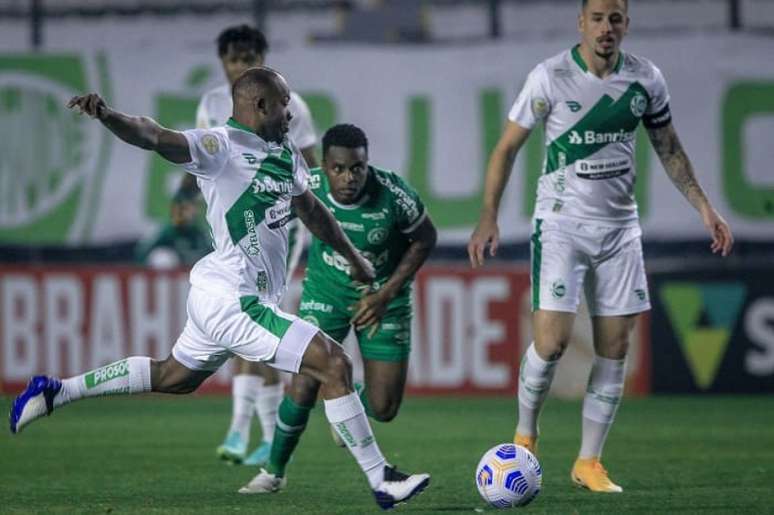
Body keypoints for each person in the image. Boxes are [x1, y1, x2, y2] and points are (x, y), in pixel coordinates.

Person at [10, 66, 430, 510]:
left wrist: (353, 256)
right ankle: (381, 478)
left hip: (222, 296)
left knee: (173, 377)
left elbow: (311, 210)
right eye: (285, 104)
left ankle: (58, 391)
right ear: (261, 105)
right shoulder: (220, 147)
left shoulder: (283, 152)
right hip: (234, 298)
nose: (291, 114)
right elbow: (154, 136)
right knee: (333, 362)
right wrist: (109, 115)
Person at [467, 0, 733, 494]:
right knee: (551, 344)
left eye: (615, 19)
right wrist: (488, 217)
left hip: (620, 231)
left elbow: (669, 148)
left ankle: (589, 462)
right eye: (597, 18)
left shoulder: (646, 79)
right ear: (581, 24)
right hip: (562, 225)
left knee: (615, 348)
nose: (606, 28)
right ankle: (525, 436)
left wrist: (705, 207)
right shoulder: (549, 78)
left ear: (626, 25)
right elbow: (506, 148)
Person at [239, 123, 437, 494]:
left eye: (357, 168)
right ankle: (273, 473)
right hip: (324, 295)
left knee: (384, 407)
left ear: (367, 164)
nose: (349, 177)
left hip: (384, 301)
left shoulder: (394, 194)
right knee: (303, 384)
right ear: (324, 166)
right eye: (339, 169)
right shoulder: (306, 186)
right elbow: (263, 218)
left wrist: (385, 294)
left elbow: (426, 238)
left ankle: (349, 408)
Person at [190, 24, 319, 467]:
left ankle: (249, 432)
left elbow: (309, 170)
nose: (241, 65)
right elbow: (208, 159)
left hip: (275, 224)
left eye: (249, 57)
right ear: (223, 62)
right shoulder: (209, 103)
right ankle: (250, 432)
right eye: (233, 58)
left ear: (262, 58)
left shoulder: (291, 105)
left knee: (256, 319)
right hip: (230, 219)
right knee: (246, 325)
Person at [136, 190, 211, 269]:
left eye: (195, 206)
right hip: (171, 277)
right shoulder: (167, 232)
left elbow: (210, 253)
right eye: (186, 207)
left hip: (193, 275)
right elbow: (143, 252)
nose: (192, 212)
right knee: (162, 258)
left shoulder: (200, 233)